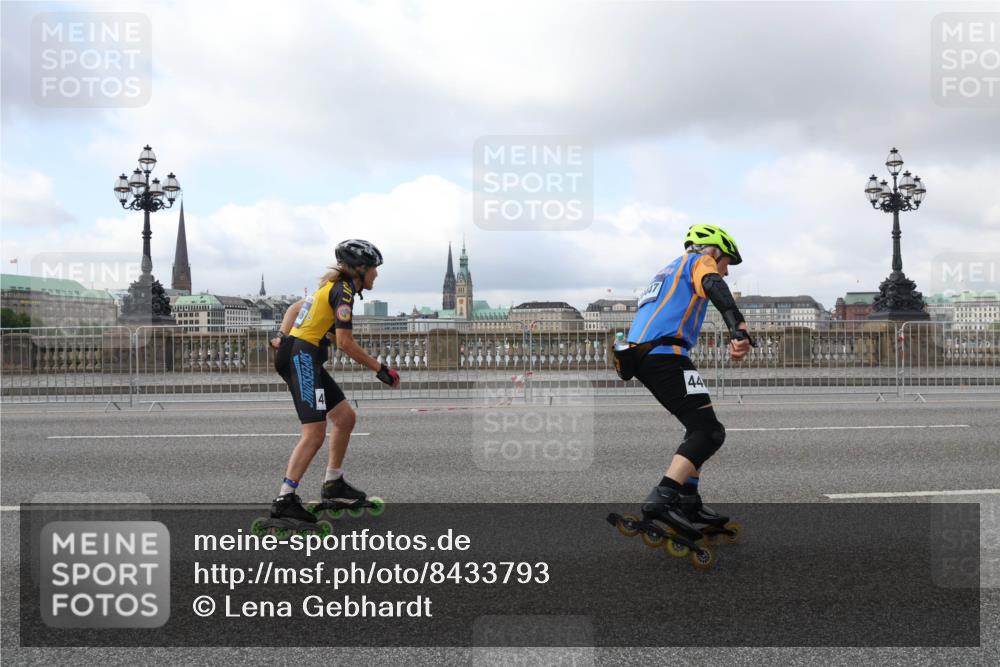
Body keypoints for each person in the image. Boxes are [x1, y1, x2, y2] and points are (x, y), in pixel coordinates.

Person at [622, 224, 753, 541]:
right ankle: (662, 499)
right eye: (726, 263)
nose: (726, 272)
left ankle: (689, 502)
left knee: (699, 426)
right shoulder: (699, 261)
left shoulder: (668, 270)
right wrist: (738, 327)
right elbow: (713, 284)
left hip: (651, 353)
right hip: (664, 355)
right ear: (714, 251)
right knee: (709, 432)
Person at [266, 239, 400, 525]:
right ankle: (285, 499)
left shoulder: (329, 287)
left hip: (302, 355)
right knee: (314, 432)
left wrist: (282, 334)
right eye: (374, 269)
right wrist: (381, 369)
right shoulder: (343, 291)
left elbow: (293, 308)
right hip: (301, 358)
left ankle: (333, 483)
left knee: (345, 417)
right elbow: (345, 342)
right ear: (359, 269)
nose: (376, 275)